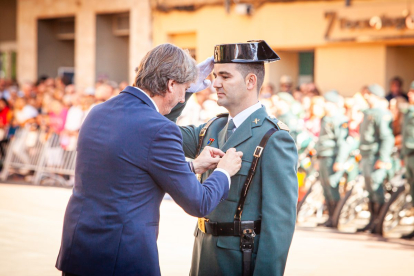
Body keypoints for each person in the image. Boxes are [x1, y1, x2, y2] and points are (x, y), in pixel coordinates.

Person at [56, 44, 243, 276]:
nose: (183, 98)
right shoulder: (160, 129)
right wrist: (223, 172)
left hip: (80, 249)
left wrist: (192, 166)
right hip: (121, 258)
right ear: (171, 84)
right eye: (184, 89)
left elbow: (126, 171)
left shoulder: (98, 111)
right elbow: (198, 203)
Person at [167, 40, 298, 276]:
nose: (215, 83)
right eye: (215, 76)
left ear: (250, 81)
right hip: (202, 255)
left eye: (225, 76)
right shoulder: (212, 129)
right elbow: (159, 131)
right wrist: (186, 89)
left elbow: (278, 226)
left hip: (238, 260)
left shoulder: (273, 137)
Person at [357, 84, 395, 233]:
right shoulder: (368, 112)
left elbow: (387, 138)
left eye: (370, 94)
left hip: (375, 156)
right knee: (369, 189)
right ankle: (372, 221)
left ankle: (378, 223)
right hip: (367, 155)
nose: (366, 96)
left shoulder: (380, 113)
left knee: (376, 187)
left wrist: (383, 158)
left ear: (377, 96)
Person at [316, 90, 350, 227]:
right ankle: (330, 217)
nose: (324, 105)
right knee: (326, 187)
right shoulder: (326, 118)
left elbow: (343, 143)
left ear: (333, 104)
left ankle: (336, 218)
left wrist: (340, 161)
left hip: (332, 157)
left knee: (332, 186)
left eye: (327, 102)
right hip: (323, 157)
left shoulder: (339, 120)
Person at [401, 81, 414, 240]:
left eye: (412, 92)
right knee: (412, 191)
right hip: (409, 154)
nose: (409, 94)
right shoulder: (409, 111)